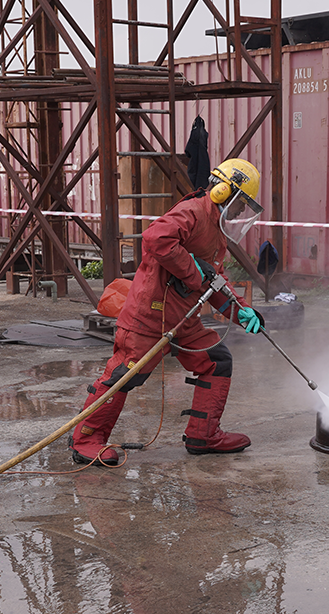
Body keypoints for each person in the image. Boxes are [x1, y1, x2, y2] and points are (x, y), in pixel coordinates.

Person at [70, 158, 267, 465]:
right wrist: (193, 272)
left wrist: (240, 310)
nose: (242, 211)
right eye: (241, 202)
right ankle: (86, 438)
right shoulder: (192, 212)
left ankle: (204, 434)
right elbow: (156, 239)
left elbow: (213, 278)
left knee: (216, 359)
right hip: (150, 315)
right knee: (126, 375)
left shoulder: (215, 229)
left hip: (182, 318)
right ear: (224, 192)